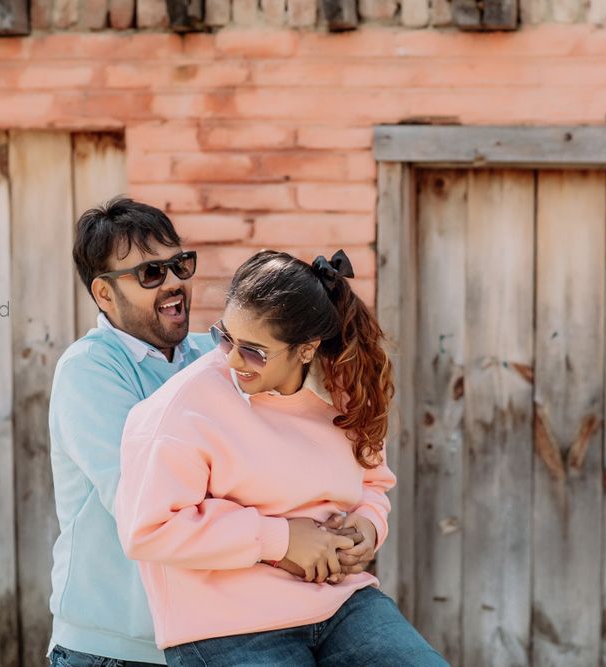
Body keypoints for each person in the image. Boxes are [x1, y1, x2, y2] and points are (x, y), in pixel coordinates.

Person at [114, 249, 448, 666]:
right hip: (226, 623)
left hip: (340, 603)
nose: (232, 360)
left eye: (254, 350)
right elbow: (149, 529)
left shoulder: (345, 392)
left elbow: (373, 482)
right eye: (225, 337)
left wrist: (368, 523)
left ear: (306, 350)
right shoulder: (181, 410)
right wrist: (281, 539)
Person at [46, 198, 216, 666]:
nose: (175, 283)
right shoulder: (90, 370)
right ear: (104, 295)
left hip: (205, 639)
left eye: (179, 264)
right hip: (112, 651)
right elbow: (146, 503)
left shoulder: (212, 356)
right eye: (150, 274)